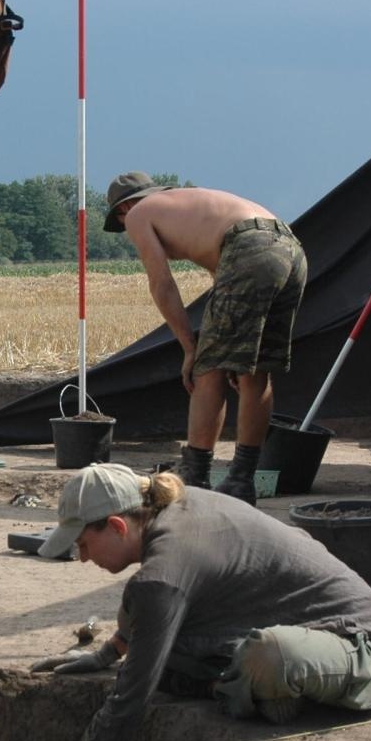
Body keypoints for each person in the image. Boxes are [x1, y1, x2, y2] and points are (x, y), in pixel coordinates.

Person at [34, 464, 371, 741]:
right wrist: (105, 655)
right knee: (156, 637)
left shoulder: (167, 565)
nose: (82, 557)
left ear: (117, 526)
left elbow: (131, 700)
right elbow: (145, 613)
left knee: (269, 655)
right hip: (301, 629)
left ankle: (238, 691)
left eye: (83, 544)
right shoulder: (171, 508)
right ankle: (243, 686)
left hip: (368, 652)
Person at [103, 172, 308, 505]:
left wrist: (189, 349)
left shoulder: (141, 213)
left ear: (124, 207)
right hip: (291, 249)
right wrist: (233, 349)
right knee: (255, 371)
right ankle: (242, 480)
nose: (126, 229)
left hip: (248, 248)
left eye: (121, 221)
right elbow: (224, 277)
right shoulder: (189, 201)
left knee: (206, 369)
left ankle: (195, 477)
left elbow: (162, 284)